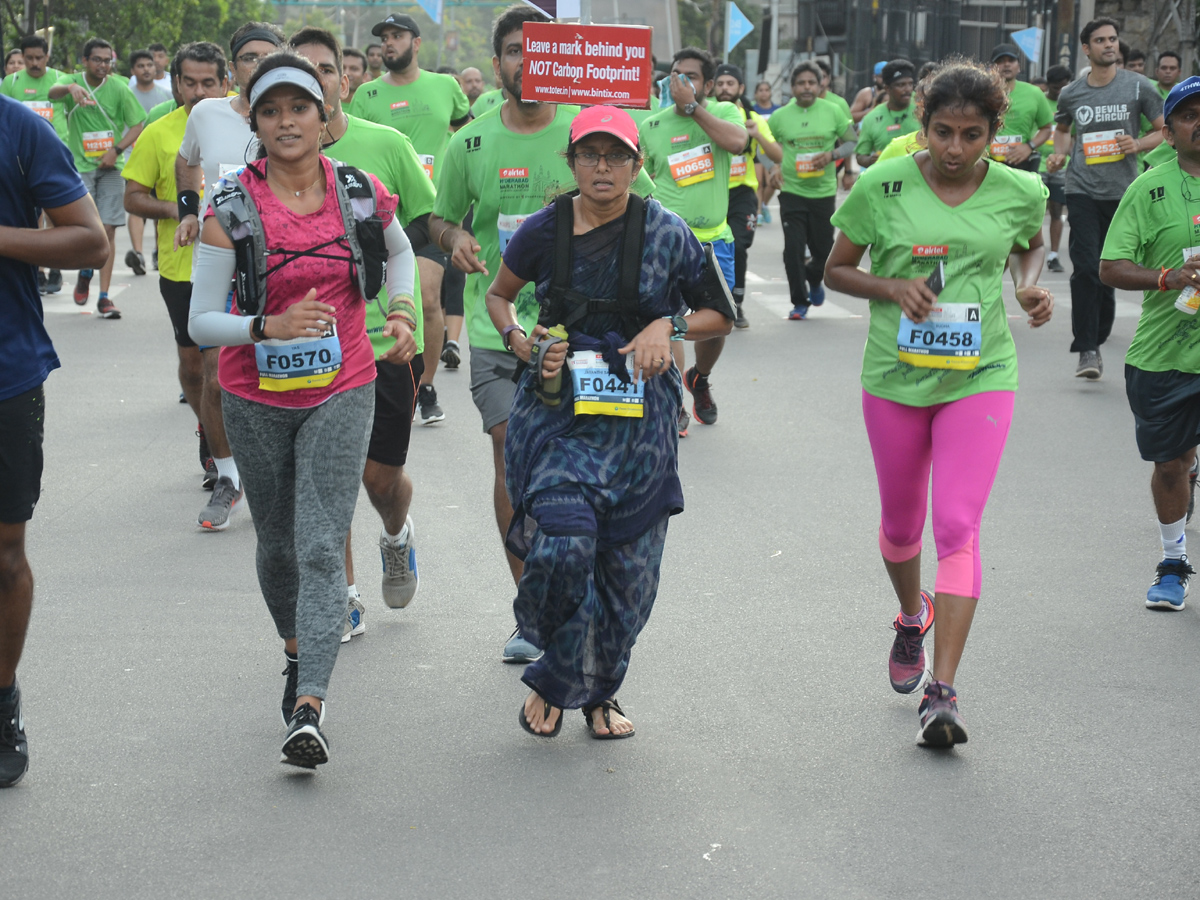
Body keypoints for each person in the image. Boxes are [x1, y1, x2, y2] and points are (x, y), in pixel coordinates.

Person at [188, 53, 417, 769]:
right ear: (254, 123)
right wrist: (266, 328)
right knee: (279, 544)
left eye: (300, 107)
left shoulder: (358, 192)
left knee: (321, 542)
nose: (287, 122)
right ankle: (295, 651)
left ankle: (310, 702)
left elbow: (401, 252)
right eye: (271, 111)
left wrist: (403, 307)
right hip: (254, 395)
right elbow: (201, 322)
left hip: (343, 385)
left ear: (324, 116)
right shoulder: (230, 210)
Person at [485, 105, 734, 738]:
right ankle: (559, 671)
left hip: (640, 430)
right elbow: (499, 295)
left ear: (636, 164)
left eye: (616, 155)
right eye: (590, 155)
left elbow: (718, 313)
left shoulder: (669, 231)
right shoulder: (544, 229)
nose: (603, 167)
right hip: (559, 419)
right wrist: (520, 341)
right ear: (570, 163)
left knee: (628, 576)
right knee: (564, 545)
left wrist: (667, 324)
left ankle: (598, 695)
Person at [825, 61, 1053, 747]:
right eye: (944, 132)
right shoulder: (881, 184)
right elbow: (836, 268)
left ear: (994, 133)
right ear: (921, 126)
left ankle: (943, 691)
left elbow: (1031, 247)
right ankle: (907, 615)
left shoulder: (1020, 189)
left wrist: (1029, 287)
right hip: (895, 378)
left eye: (973, 135)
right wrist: (892, 289)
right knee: (902, 525)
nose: (956, 149)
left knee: (956, 526)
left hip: (980, 374)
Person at [430, 3, 649, 662]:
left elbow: (648, 212)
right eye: (516, 51)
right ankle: (533, 610)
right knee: (515, 456)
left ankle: (580, 592)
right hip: (503, 334)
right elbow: (437, 222)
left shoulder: (595, 139)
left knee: (584, 474)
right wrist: (458, 236)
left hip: (591, 342)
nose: (528, 62)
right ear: (498, 64)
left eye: (539, 49)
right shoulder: (468, 142)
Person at [287, 25, 433, 631]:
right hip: (311, 349)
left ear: (344, 81)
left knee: (378, 479)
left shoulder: (385, 145)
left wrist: (412, 313)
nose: (316, 80)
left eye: (326, 69)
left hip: (384, 345)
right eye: (302, 71)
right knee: (327, 480)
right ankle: (341, 594)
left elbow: (423, 233)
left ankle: (397, 533)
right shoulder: (265, 160)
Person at [0, 94, 110, 787]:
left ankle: (2, 697)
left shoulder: (18, 129)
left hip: (5, 373)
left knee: (5, 557)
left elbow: (91, 240)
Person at [1099, 77, 1200, 611]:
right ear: (1168, 130)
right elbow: (1110, 267)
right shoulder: (1147, 187)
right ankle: (1173, 562)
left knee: (1181, 463)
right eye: (1189, 114)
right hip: (1165, 356)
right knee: (1170, 466)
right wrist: (1170, 278)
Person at [122, 42, 231, 527]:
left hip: (232, 268)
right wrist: (185, 211)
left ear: (225, 83)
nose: (199, 91)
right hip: (180, 266)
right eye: (190, 82)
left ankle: (225, 452)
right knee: (193, 364)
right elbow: (133, 197)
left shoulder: (243, 125)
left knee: (220, 365)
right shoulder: (160, 133)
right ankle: (208, 430)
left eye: (209, 82)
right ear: (176, 83)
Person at [174, 21, 283, 500]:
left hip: (278, 256)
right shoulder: (206, 113)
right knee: (214, 376)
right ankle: (227, 474)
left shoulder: (289, 115)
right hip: (219, 255)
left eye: (267, 56)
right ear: (232, 67)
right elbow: (186, 161)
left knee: (274, 368)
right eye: (248, 58)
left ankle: (275, 466)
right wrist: (189, 211)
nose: (256, 66)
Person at [349, 12, 471, 425]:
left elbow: (462, 129)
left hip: (429, 212)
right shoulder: (366, 95)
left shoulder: (446, 86)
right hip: (379, 219)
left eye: (397, 36)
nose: (388, 43)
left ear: (416, 43)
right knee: (386, 304)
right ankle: (385, 374)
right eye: (383, 37)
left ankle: (427, 383)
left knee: (429, 296)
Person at [1047, 17, 1164, 380]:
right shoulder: (1072, 94)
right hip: (1081, 188)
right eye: (1100, 40)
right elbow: (1063, 131)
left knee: (1108, 271)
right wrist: (1059, 154)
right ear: (1087, 48)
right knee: (1085, 269)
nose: (1109, 45)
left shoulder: (1138, 87)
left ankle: (1098, 330)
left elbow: (1164, 131)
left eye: (1113, 39)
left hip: (1124, 193)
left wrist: (1138, 144)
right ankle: (1087, 349)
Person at [638, 46, 747, 435]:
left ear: (709, 84)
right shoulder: (652, 126)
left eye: (691, 77)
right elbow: (642, 183)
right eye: (675, 75)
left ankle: (698, 377)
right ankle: (676, 404)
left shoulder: (723, 113)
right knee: (673, 319)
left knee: (719, 324)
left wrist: (693, 109)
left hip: (715, 240)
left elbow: (738, 144)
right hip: (668, 242)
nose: (680, 83)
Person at [48, 38, 146, 318]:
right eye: (97, 60)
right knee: (84, 227)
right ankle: (86, 269)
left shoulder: (118, 87)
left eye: (107, 60)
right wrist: (69, 87)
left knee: (109, 230)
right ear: (85, 61)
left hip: (111, 167)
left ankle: (104, 297)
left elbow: (138, 124)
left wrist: (116, 151)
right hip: (79, 167)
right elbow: (53, 94)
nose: (103, 65)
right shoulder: (72, 82)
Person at [768, 61, 856, 320]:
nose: (806, 87)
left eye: (811, 83)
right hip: (791, 192)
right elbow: (760, 146)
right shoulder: (780, 117)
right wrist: (773, 167)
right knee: (793, 250)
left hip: (823, 193)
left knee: (823, 250)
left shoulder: (834, 111)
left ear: (820, 86)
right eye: (800, 83)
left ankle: (815, 280)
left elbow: (852, 141)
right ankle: (799, 302)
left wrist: (832, 155)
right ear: (792, 87)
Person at [713, 62, 780, 329]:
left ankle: (735, 302)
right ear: (711, 87)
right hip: (712, 191)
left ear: (741, 87)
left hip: (743, 192)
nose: (725, 88)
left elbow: (777, 156)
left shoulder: (752, 117)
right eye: (720, 83)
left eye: (730, 83)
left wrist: (757, 136)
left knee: (738, 245)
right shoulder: (706, 115)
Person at [2, 35, 68, 295]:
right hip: (18, 160)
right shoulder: (11, 82)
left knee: (56, 213)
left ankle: (55, 266)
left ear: (47, 57)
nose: (33, 62)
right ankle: (38, 269)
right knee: (33, 214)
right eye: (28, 58)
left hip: (55, 156)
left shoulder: (60, 80)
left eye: (38, 57)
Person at [987, 44, 1053, 172]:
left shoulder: (1034, 93)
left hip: (1020, 164)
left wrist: (1029, 147)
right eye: (1000, 61)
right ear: (992, 68)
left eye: (1011, 61)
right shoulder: (980, 92)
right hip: (987, 164)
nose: (1006, 65)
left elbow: (1046, 128)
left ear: (1019, 67)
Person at [856, 59, 918, 168]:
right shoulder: (872, 118)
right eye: (901, 85)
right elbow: (861, 156)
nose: (907, 89)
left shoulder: (924, 109)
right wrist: (871, 160)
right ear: (887, 88)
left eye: (910, 84)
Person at [1040, 65, 1072, 273]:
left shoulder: (1071, 102)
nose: (1060, 91)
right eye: (1055, 88)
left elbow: (1074, 134)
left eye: (1063, 87)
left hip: (1063, 165)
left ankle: (1053, 255)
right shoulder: (1040, 101)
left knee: (1057, 211)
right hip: (1039, 164)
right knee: (1033, 211)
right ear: (1048, 85)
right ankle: (1026, 250)